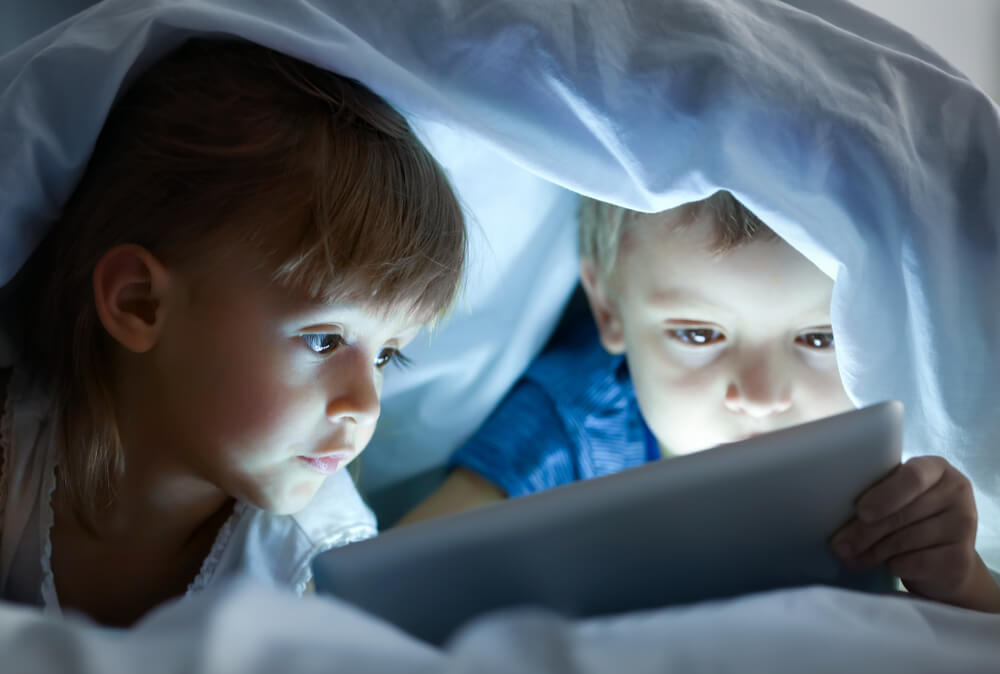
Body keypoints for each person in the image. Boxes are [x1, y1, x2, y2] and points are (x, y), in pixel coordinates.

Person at [0, 38, 466, 626]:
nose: (364, 406)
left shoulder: (317, 571)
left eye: (386, 357)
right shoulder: (12, 456)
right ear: (139, 303)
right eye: (324, 340)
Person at [399, 191, 1000, 613]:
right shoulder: (569, 426)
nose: (762, 397)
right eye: (698, 335)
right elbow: (393, 581)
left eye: (819, 338)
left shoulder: (882, 451)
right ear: (608, 309)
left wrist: (965, 581)